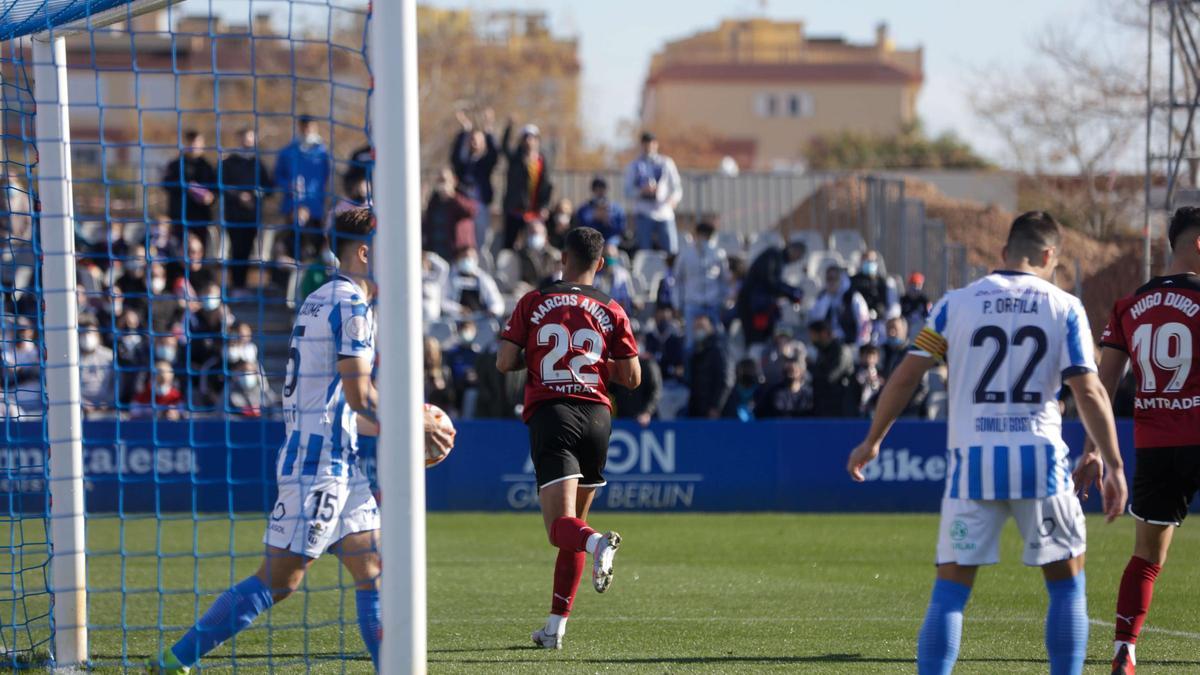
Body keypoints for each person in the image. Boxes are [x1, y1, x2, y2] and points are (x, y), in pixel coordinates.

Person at [149, 208, 454, 674]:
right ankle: (173, 661)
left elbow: (349, 409)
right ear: (366, 251)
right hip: (318, 468)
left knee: (372, 569)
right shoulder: (351, 306)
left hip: (337, 462)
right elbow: (359, 395)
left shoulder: (321, 297)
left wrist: (401, 433)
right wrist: (414, 423)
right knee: (279, 580)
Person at [846, 211, 1127, 675]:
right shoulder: (1064, 306)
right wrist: (1112, 463)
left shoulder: (954, 304)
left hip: (972, 463)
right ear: (1048, 255)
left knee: (951, 591)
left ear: (1004, 253)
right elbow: (1089, 390)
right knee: (1065, 584)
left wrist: (873, 439)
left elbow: (905, 377)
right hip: (1041, 461)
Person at [496, 226, 640, 649]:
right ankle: (555, 629)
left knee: (563, 529)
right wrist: (593, 363)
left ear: (562, 259)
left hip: (553, 413)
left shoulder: (534, 301)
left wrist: (540, 355)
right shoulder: (612, 308)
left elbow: (505, 362)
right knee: (572, 525)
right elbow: (632, 376)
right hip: (597, 415)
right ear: (600, 264)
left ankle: (598, 542)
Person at [1092, 206, 1200, 673]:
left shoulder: (1129, 305)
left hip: (1155, 447)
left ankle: (1125, 648)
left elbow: (1102, 383)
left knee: (1146, 557)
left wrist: (1093, 449)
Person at [221, 127, 273, 291]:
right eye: (244, 138)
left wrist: (256, 195)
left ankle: (242, 286)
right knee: (236, 249)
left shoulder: (258, 164)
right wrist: (238, 196)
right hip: (233, 216)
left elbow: (269, 189)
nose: (247, 141)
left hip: (252, 216)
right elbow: (221, 186)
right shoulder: (228, 163)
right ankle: (236, 286)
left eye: (251, 138)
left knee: (248, 249)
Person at [274, 115, 332, 261]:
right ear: (299, 127)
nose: (307, 130)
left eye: (311, 126)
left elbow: (327, 179)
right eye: (304, 126)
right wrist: (288, 185)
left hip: (315, 211)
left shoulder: (323, 154)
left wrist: (312, 206)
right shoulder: (288, 152)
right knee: (290, 248)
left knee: (314, 250)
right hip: (292, 209)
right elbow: (277, 176)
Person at [735, 237, 806, 345]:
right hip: (752, 306)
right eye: (798, 255)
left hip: (761, 307)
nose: (796, 259)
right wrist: (791, 293)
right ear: (792, 249)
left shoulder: (779, 260)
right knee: (755, 341)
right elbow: (769, 280)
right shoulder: (773, 254)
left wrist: (791, 292)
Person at [673, 221, 730, 348]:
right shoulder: (686, 254)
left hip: (713, 305)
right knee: (690, 345)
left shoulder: (718, 254)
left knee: (717, 342)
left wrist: (723, 302)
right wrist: (678, 304)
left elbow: (724, 281)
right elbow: (678, 281)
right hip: (692, 305)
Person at [624, 131, 682, 254]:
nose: (648, 147)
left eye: (651, 144)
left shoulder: (666, 162)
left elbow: (676, 187)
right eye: (645, 144)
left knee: (671, 250)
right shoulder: (634, 165)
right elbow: (627, 190)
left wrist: (673, 199)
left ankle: (670, 273)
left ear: (656, 144)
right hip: (644, 213)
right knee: (645, 251)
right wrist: (641, 191)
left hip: (664, 212)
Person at [450, 109, 500, 250]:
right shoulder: (464, 163)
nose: (474, 143)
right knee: (463, 241)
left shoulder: (485, 163)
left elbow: (495, 153)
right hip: (463, 206)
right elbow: (456, 157)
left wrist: (488, 130)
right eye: (472, 139)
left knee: (480, 241)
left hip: (480, 206)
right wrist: (465, 131)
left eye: (478, 140)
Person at [500, 121, 552, 250]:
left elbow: (546, 185)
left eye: (532, 137)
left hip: (534, 211)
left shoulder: (542, 160)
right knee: (509, 244)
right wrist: (509, 127)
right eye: (526, 137)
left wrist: (544, 205)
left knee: (534, 244)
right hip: (515, 210)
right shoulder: (516, 158)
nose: (529, 140)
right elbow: (505, 148)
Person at [162, 130, 217, 250]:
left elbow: (215, 191)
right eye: (191, 143)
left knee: (199, 250)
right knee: (179, 250)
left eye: (197, 143)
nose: (194, 146)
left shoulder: (208, 166)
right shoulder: (175, 165)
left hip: (201, 217)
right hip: (180, 216)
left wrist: (210, 197)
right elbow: (166, 184)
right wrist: (187, 187)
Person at [422, 168, 477, 262]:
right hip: (436, 252)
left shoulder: (461, 196)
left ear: (454, 181)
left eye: (444, 180)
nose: (442, 184)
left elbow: (471, 211)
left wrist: (452, 196)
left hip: (456, 254)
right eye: (439, 180)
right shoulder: (434, 202)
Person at [811, 265, 871, 347]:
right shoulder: (823, 297)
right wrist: (826, 299)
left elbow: (864, 324)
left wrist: (859, 347)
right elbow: (816, 320)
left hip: (850, 344)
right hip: (828, 345)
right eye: (828, 279)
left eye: (834, 279)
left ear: (841, 279)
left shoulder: (853, 297)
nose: (831, 282)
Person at [685, 315, 732, 419]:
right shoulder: (696, 350)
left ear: (711, 327)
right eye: (696, 327)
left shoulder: (719, 348)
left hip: (715, 412)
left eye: (702, 326)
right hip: (698, 410)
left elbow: (726, 380)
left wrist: (716, 406)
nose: (698, 330)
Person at [850, 250, 900, 343]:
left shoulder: (883, 282)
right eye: (867, 261)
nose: (869, 264)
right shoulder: (853, 281)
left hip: (879, 319)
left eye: (872, 261)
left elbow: (892, 306)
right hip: (859, 321)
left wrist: (882, 314)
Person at [807, 320, 854, 417]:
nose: (811, 339)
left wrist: (809, 366)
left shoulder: (841, 351)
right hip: (824, 406)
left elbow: (830, 377)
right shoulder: (822, 351)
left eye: (813, 335)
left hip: (840, 408)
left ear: (823, 334)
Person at [445, 247, 504, 320]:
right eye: (464, 257)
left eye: (471, 257)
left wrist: (492, 310)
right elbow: (443, 301)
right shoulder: (448, 278)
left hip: (481, 320)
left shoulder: (484, 278)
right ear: (458, 259)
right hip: (455, 320)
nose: (468, 260)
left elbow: (496, 302)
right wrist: (459, 309)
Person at [78, 314, 115, 416]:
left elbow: (117, 383)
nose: (87, 336)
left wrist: (108, 402)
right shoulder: (72, 359)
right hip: (78, 409)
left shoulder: (109, 356)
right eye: (83, 333)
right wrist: (80, 402)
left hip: (106, 408)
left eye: (90, 333)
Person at [613, 354, 662, 427]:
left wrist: (647, 412)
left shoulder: (648, 364)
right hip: (621, 418)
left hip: (645, 421)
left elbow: (655, 391)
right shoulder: (616, 364)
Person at [572, 177, 626, 243]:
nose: (600, 191)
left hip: (610, 241)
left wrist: (608, 222)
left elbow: (620, 230)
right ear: (593, 190)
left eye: (603, 188)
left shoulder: (617, 209)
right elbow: (581, 229)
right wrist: (594, 218)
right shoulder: (584, 209)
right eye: (596, 188)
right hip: (591, 241)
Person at [593, 240, 636, 316]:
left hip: (618, 314)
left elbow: (628, 299)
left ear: (616, 257)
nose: (609, 259)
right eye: (606, 256)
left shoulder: (623, 275)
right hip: (598, 314)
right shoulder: (594, 275)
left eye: (612, 256)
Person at [514, 220, 560, 287]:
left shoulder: (555, 255)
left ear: (545, 236)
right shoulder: (519, 255)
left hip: (549, 290)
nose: (534, 236)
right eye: (531, 233)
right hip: (527, 291)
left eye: (537, 233)